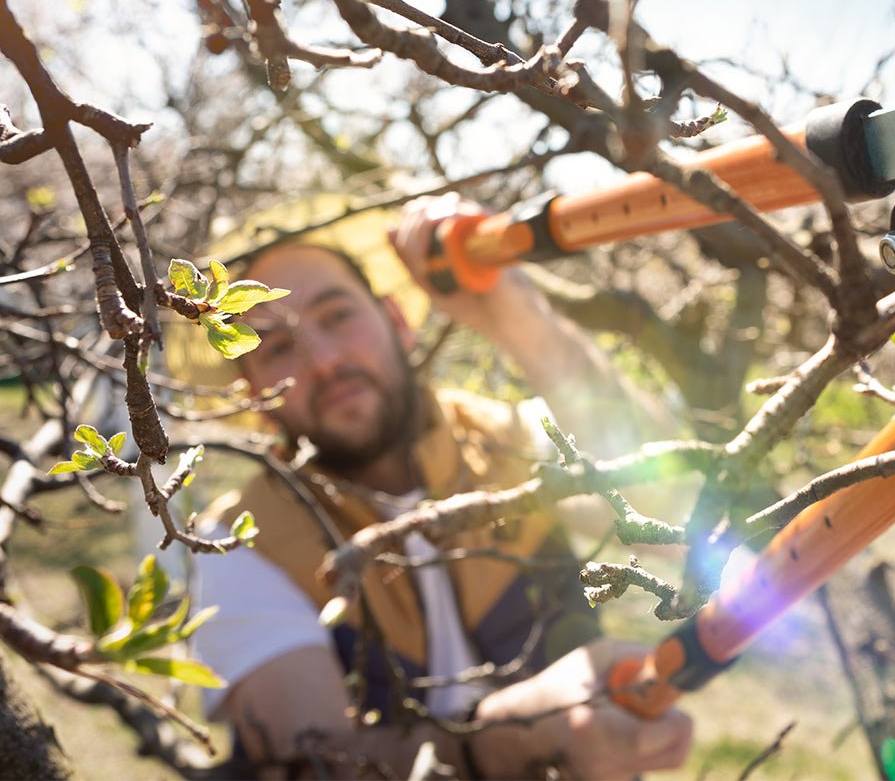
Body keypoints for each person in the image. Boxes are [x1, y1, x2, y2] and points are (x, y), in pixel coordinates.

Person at [189, 194, 692, 779]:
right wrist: (509, 735)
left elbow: (679, 511)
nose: (324, 360)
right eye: (277, 347)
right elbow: (312, 763)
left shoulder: (512, 444)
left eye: (338, 316)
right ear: (253, 396)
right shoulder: (239, 544)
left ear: (396, 320)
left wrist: (517, 314)